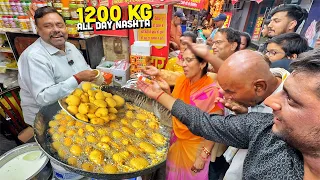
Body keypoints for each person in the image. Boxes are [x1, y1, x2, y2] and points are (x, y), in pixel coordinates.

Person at [137, 49, 320, 179]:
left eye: (291, 100)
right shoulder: (263, 128)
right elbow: (204, 122)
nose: (270, 102)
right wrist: (160, 95)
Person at [17, 7, 97, 139]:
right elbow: (43, 97)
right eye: (48, 26)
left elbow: (85, 70)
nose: (56, 30)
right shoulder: (34, 57)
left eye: (59, 25)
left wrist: (96, 76)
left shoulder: (70, 47)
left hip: (74, 106)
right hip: (47, 117)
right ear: (38, 30)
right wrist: (77, 78)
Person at [214, 50, 289, 180]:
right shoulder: (253, 83)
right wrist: (244, 116)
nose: (225, 96)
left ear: (259, 87)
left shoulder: (290, 107)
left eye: (229, 91)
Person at [159, 48, 223, 180]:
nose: (183, 64)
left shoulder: (213, 92)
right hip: (176, 140)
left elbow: (214, 127)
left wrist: (203, 156)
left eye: (189, 60)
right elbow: (177, 108)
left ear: (202, 63)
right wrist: (166, 92)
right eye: (183, 59)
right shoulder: (182, 80)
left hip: (196, 148)